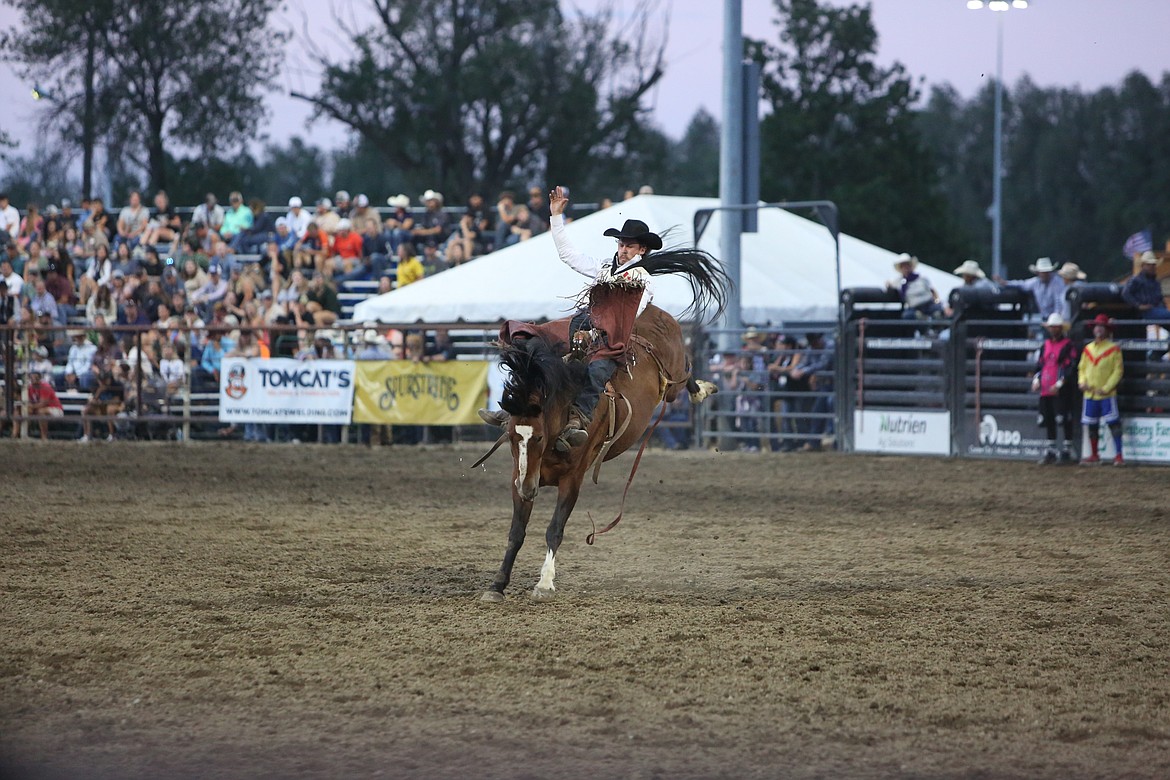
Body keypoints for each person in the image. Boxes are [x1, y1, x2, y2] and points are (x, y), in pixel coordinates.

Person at [480, 185, 658, 450]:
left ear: (641, 249)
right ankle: (513, 409)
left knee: (596, 371)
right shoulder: (604, 268)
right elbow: (569, 256)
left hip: (611, 338)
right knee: (532, 341)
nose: (623, 249)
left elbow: (630, 314)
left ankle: (578, 419)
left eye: (629, 245)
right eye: (621, 244)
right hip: (583, 323)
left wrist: (596, 333)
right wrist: (555, 217)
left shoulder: (643, 279)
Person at [1032, 313, 1080, 465]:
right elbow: (1040, 365)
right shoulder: (1045, 345)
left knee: (1063, 416)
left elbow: (1070, 366)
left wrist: (1060, 383)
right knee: (1048, 417)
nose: (1053, 330)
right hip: (1046, 387)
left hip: (1061, 388)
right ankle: (1051, 449)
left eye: (1056, 327)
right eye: (1051, 327)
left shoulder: (1068, 345)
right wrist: (1036, 379)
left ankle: (1067, 448)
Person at [1077, 313, 1124, 466]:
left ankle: (1118, 455)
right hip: (1090, 393)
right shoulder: (1088, 349)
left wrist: (1106, 388)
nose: (1098, 329)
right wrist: (1082, 382)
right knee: (1092, 424)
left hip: (1106, 394)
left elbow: (1118, 371)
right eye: (1097, 326)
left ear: (1107, 330)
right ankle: (1095, 454)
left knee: (1113, 423)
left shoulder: (1114, 349)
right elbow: (1081, 368)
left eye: (1101, 327)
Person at [998, 257, 1066, 321]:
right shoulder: (1035, 282)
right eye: (1042, 272)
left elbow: (1059, 302)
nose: (1044, 274)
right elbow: (1022, 284)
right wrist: (1006, 283)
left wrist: (1056, 318)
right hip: (1044, 317)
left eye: (1046, 272)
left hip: (1056, 318)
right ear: (1038, 273)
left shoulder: (1057, 283)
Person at [887, 253, 942, 320]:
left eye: (907, 265)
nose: (906, 268)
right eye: (903, 266)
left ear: (911, 266)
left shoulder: (922, 278)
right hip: (914, 308)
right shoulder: (899, 281)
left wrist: (937, 301)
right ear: (901, 268)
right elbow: (889, 284)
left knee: (939, 312)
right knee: (907, 316)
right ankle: (921, 318)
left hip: (928, 304)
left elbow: (932, 291)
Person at [1121, 251, 1170, 322]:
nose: (1152, 267)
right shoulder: (1136, 280)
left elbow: (1160, 298)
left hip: (1158, 310)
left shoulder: (1155, 282)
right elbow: (1126, 293)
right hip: (1146, 312)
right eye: (1149, 265)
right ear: (1143, 265)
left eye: (1153, 265)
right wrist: (1139, 306)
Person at [25, 369, 65, 440]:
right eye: (32, 378)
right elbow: (29, 401)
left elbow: (43, 403)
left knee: (41, 412)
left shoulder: (45, 387)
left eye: (36, 378)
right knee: (26, 411)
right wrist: (29, 407)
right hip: (39, 409)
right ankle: (25, 434)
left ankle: (44, 437)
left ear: (40, 378)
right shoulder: (30, 388)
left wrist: (31, 406)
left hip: (56, 409)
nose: (34, 380)